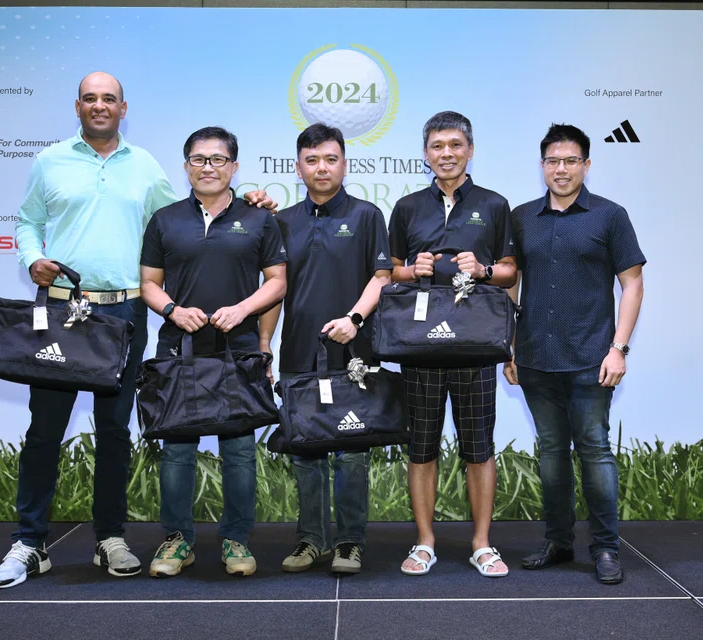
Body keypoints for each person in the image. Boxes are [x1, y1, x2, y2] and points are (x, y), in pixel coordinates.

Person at [0, 73, 274, 590]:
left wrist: (250, 199)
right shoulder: (49, 160)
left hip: (123, 313)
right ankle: (29, 543)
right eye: (90, 98)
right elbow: (27, 222)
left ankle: (110, 539)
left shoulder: (144, 166)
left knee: (115, 431)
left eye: (109, 99)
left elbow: (192, 212)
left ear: (123, 108)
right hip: (63, 310)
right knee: (44, 432)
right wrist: (32, 258)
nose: (99, 105)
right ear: (78, 106)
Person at [140, 126, 287, 578]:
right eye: (199, 159)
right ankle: (177, 539)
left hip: (237, 350)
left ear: (234, 167)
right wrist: (172, 310)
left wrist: (243, 309)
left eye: (218, 159)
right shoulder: (164, 220)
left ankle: (236, 538)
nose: (208, 167)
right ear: (186, 166)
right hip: (178, 349)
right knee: (177, 451)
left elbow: (277, 282)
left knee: (239, 451)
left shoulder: (259, 219)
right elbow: (149, 283)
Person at [504, 123, 645, 585]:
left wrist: (618, 348)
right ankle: (559, 541)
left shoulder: (609, 216)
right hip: (534, 357)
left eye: (570, 161)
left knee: (595, 452)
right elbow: (511, 285)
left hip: (591, 359)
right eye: (552, 161)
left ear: (586, 164)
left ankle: (605, 548)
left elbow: (632, 284)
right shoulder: (522, 217)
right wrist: (508, 347)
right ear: (542, 165)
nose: (560, 169)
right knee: (551, 454)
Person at [259, 123, 392, 575]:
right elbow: (275, 291)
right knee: (306, 450)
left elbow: (381, 278)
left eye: (330, 159)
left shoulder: (367, 215)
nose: (322, 168)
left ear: (344, 165)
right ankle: (311, 540)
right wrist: (265, 345)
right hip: (299, 353)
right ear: (298, 168)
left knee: (352, 453)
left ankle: (350, 542)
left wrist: (354, 319)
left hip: (355, 355)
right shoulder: (282, 221)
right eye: (312, 160)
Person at [390, 111, 517, 578]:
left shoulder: (495, 204)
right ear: (425, 154)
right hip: (420, 347)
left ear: (471, 150)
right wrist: (412, 270)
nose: (447, 154)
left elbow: (510, 271)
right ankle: (425, 541)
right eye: (437, 146)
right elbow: (390, 272)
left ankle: (481, 543)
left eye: (455, 145)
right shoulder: (407, 207)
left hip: (475, 346)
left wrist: (483, 269)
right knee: (421, 448)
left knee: (478, 448)